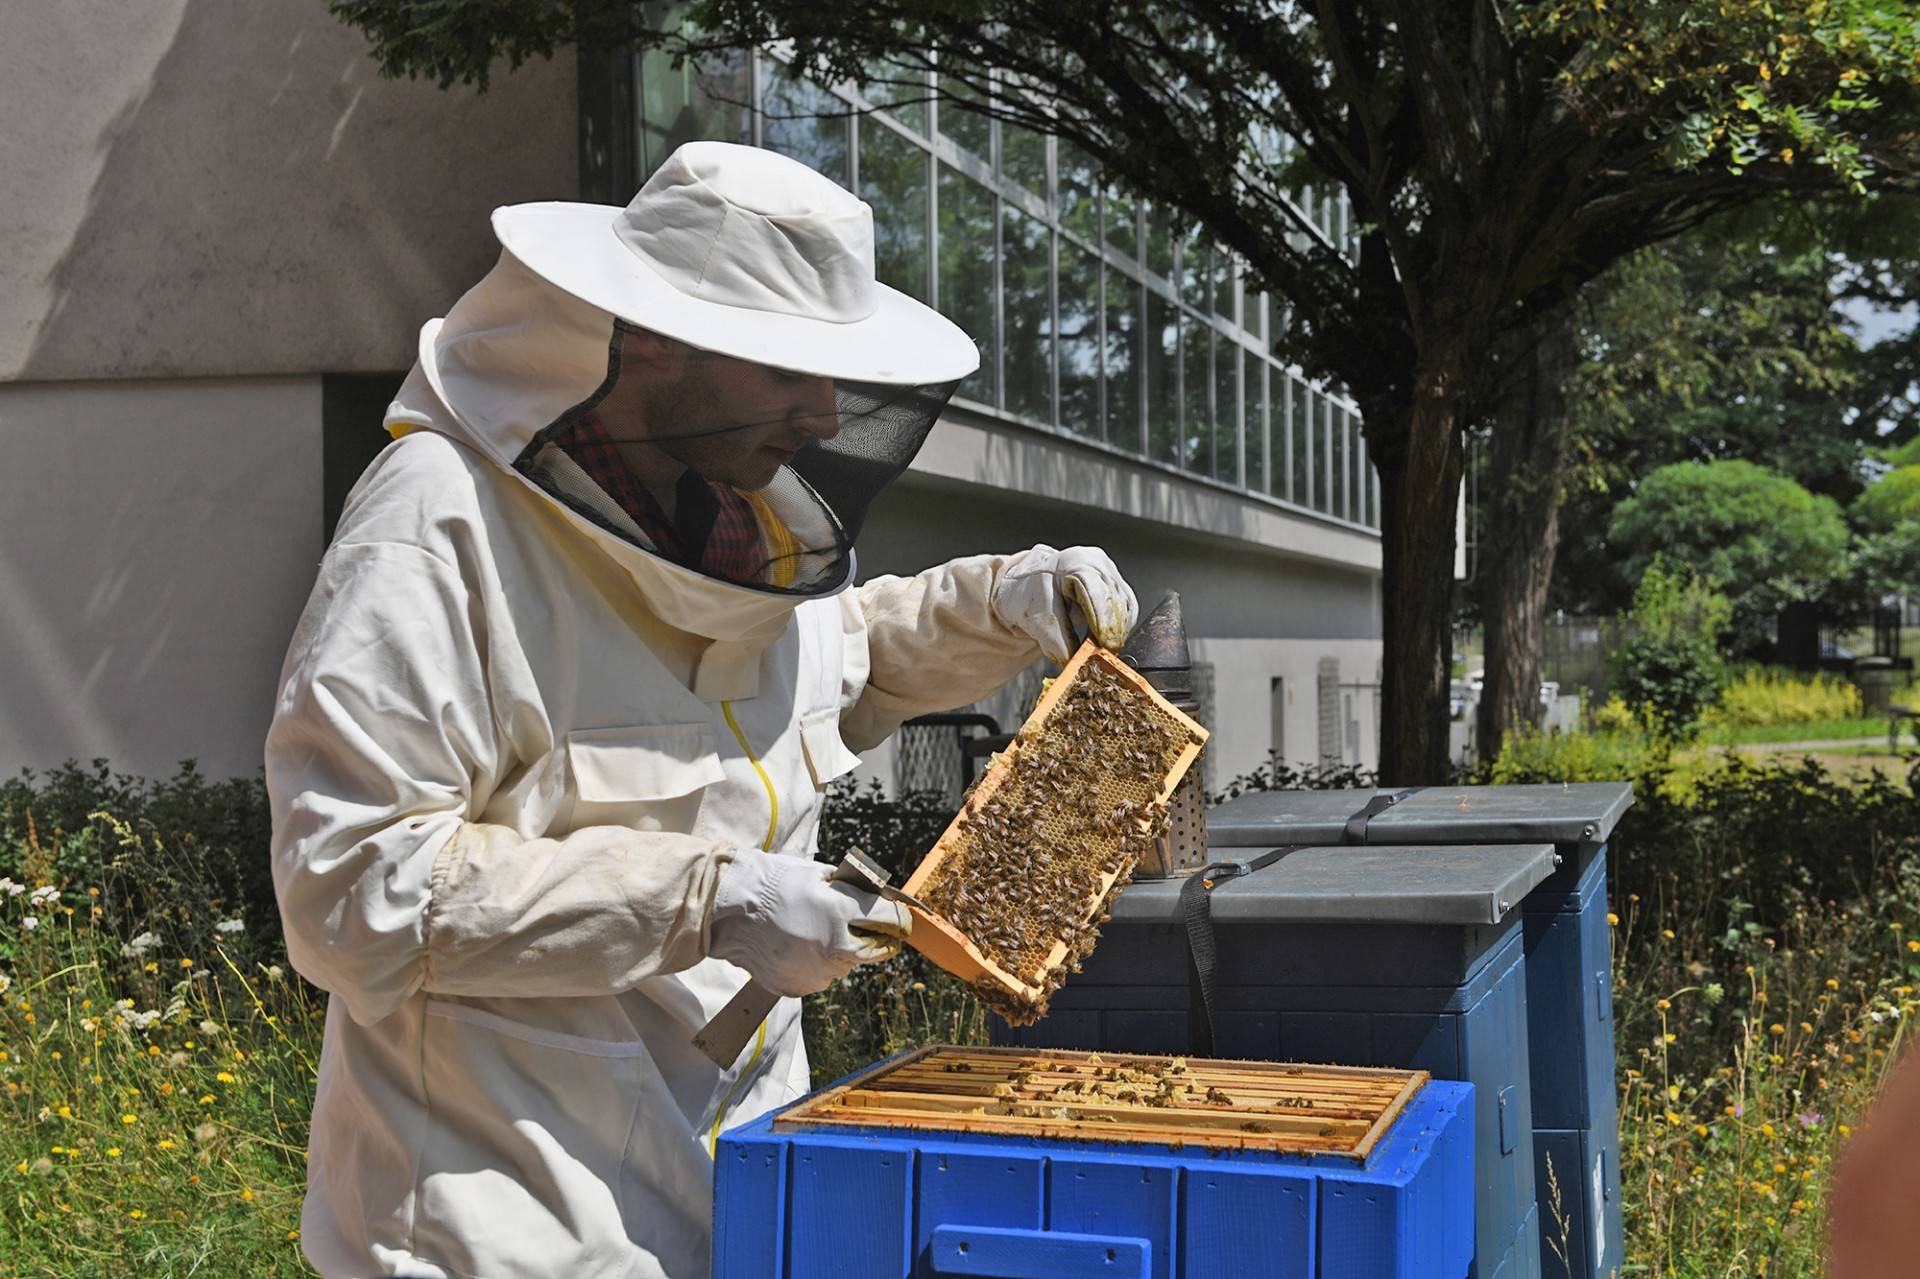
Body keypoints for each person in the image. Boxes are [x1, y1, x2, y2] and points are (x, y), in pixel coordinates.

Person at [265, 140, 1137, 1279]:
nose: (826, 414)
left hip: (749, 1186)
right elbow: (349, 889)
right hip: (503, 1222)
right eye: (786, 371)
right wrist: (710, 900)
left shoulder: (747, 521)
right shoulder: (443, 522)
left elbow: (841, 662)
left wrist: (1004, 604)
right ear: (660, 338)